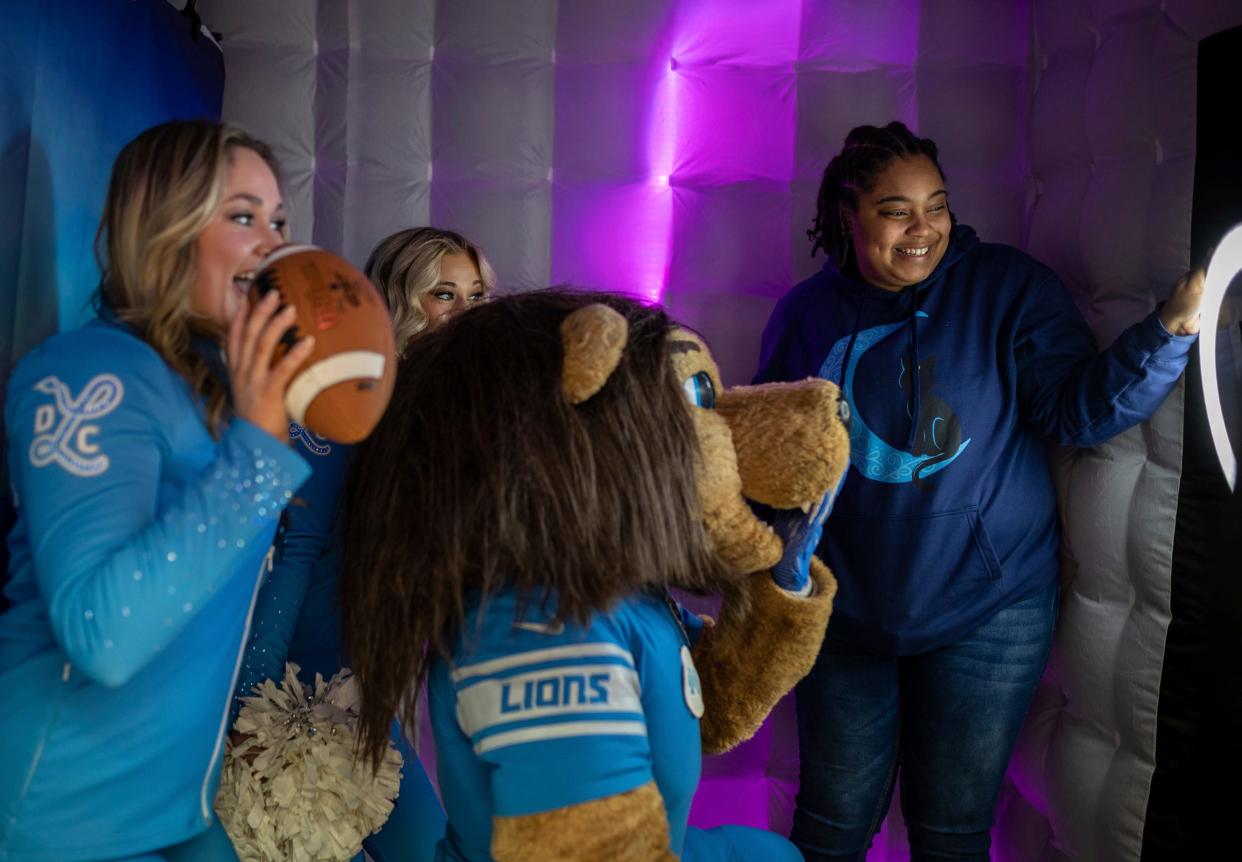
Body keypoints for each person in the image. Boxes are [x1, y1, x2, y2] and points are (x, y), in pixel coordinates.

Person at [755, 121, 1204, 862]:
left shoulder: (1008, 286)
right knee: (830, 826)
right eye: (897, 209)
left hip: (988, 609)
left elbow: (1076, 410)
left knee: (952, 831)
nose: (924, 228)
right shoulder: (805, 314)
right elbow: (776, 459)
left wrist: (1169, 331)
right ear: (849, 213)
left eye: (937, 204)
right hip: (844, 612)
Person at [0, 120, 314, 861]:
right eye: (243, 217)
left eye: (279, 221)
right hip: (55, 820)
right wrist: (261, 449)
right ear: (167, 230)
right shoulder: (89, 373)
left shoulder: (215, 395)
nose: (273, 244)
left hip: (172, 815)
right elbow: (104, 638)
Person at [230, 226, 495, 862]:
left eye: (477, 295)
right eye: (444, 294)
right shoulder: (338, 406)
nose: (467, 311)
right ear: (397, 305)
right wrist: (253, 716)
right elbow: (295, 552)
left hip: (364, 702)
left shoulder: (455, 421)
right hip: (296, 701)